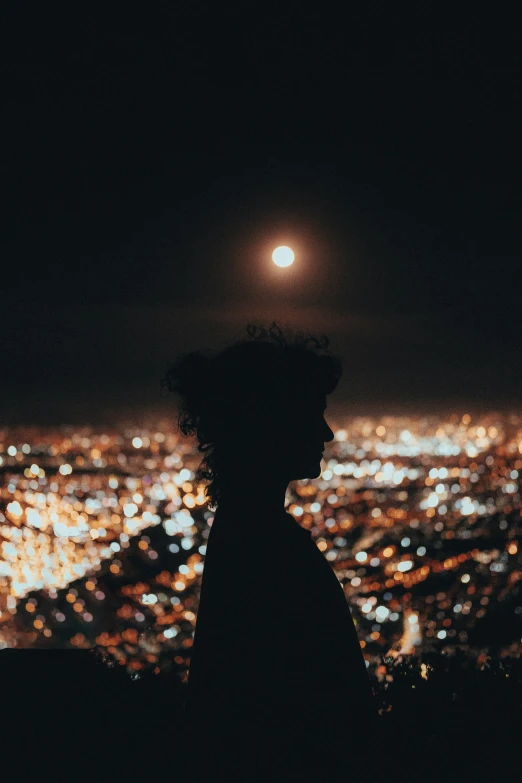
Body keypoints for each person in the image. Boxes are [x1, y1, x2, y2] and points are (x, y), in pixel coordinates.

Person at [163, 322, 375, 781]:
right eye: (313, 412)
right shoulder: (266, 543)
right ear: (272, 418)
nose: (326, 432)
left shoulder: (243, 529)